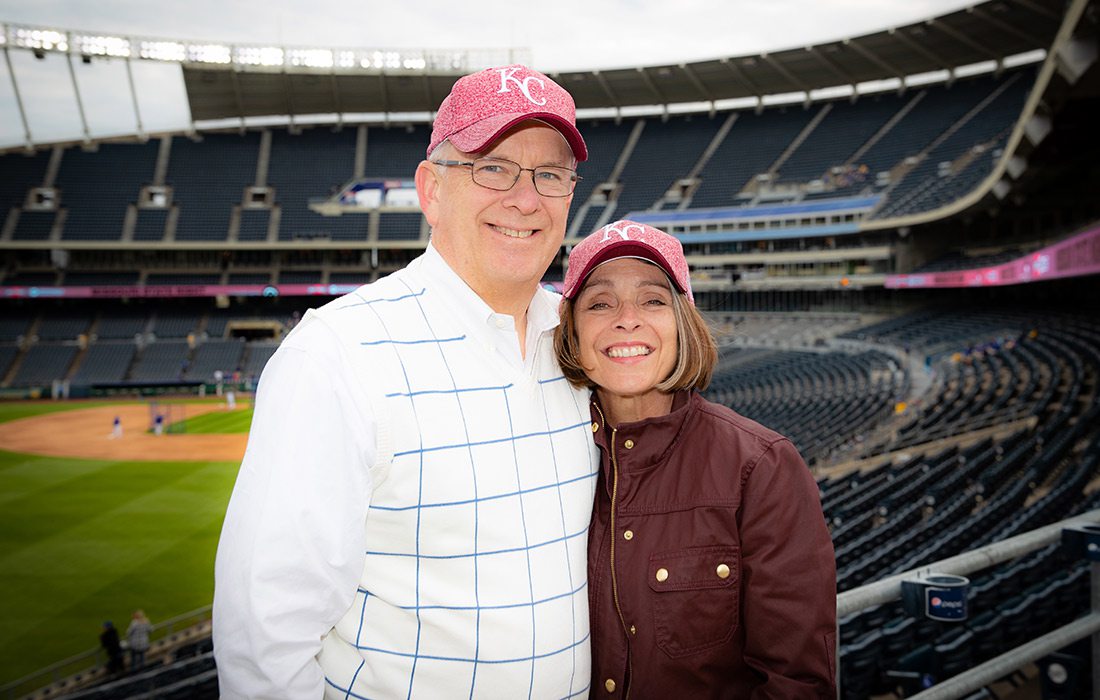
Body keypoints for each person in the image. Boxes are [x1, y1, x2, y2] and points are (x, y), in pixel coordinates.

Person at [214, 64, 599, 698]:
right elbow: (264, 639)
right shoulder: (337, 354)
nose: (526, 199)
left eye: (550, 175)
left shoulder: (585, 341)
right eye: (493, 167)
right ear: (432, 190)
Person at [554, 220, 837, 698]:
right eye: (600, 303)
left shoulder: (762, 467)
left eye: (653, 300)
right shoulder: (541, 460)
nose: (627, 318)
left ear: (682, 323)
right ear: (573, 333)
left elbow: (796, 683)